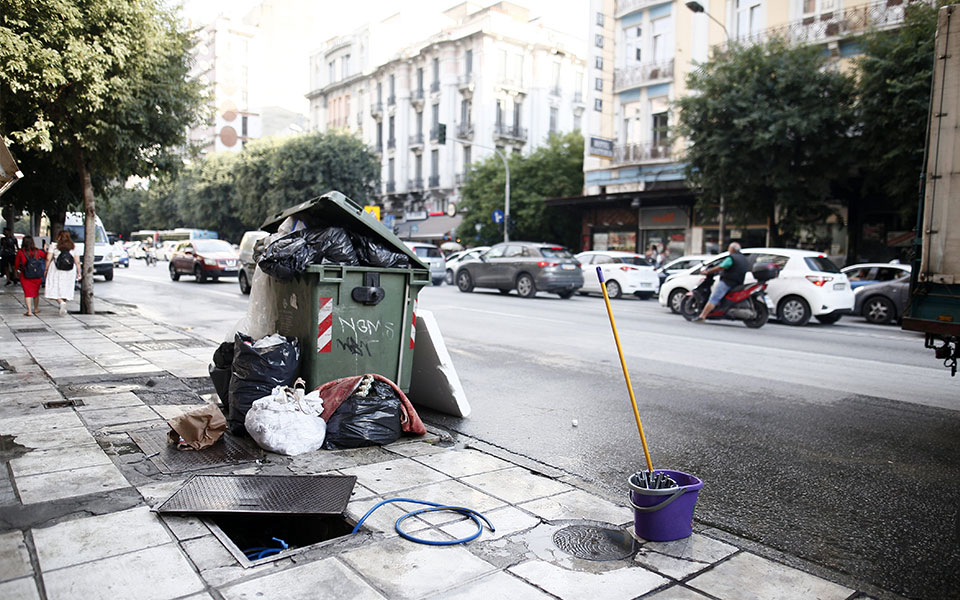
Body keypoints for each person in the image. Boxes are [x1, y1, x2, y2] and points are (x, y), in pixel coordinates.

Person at [696, 242, 748, 321]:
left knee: (714, 298)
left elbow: (721, 266)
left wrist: (708, 271)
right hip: (738, 283)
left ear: (732, 249)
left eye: (729, 248)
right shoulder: (743, 258)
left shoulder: (731, 258)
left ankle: (702, 316)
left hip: (728, 282)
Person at [44, 230, 80, 316]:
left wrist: (46, 269)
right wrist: (79, 272)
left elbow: (48, 259)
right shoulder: (74, 246)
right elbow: (77, 261)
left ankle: (61, 303)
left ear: (59, 236)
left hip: (56, 269)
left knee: (55, 286)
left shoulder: (54, 246)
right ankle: (63, 303)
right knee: (66, 287)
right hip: (70, 270)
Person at [14, 236, 46, 316]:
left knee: (27, 293)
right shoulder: (37, 251)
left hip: (25, 275)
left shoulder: (21, 252)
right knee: (36, 292)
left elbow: (16, 264)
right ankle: (36, 309)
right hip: (36, 275)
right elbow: (46, 256)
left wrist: (16, 273)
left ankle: (29, 311)